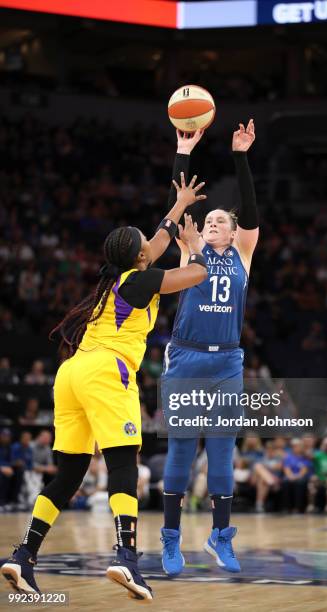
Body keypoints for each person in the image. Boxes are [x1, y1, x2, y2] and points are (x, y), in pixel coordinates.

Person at [1, 174, 207, 600]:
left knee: (70, 474)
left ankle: (23, 555)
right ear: (139, 255)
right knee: (123, 465)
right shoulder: (140, 280)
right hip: (104, 373)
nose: (149, 244)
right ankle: (126, 557)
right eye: (143, 244)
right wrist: (196, 248)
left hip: (72, 374)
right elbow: (197, 275)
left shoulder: (117, 280)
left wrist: (179, 199)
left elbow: (159, 238)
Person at [160, 120, 258, 576]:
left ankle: (220, 536)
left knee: (222, 450)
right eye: (211, 220)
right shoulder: (190, 248)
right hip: (187, 355)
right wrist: (184, 153)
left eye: (223, 221)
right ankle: (171, 538)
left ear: (235, 233)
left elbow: (251, 210)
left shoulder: (243, 254)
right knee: (181, 449)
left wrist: (240, 156)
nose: (214, 223)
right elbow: (175, 210)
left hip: (228, 359)